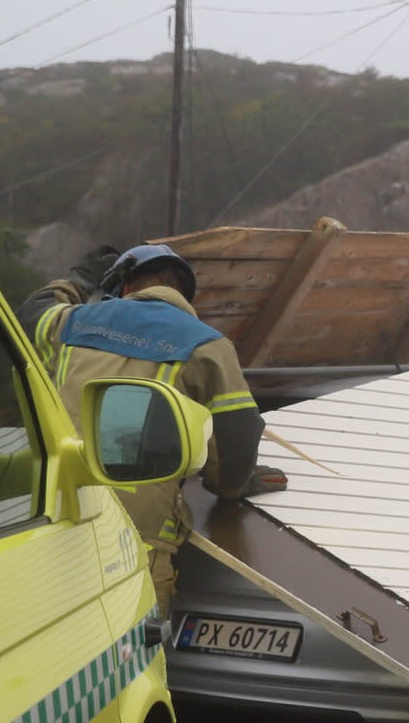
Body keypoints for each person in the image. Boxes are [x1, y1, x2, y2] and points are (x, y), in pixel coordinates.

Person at [20, 243, 277, 609]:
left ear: (124, 286)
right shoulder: (207, 345)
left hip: (57, 520)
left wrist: (79, 281)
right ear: (182, 293)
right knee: (134, 643)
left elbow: (32, 313)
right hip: (135, 540)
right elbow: (236, 433)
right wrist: (233, 485)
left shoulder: (72, 323)